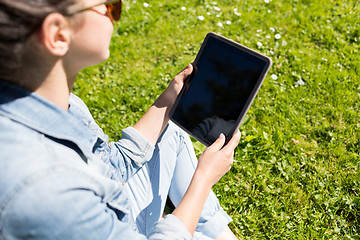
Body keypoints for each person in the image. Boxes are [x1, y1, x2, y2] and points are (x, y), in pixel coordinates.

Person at [0, 0, 241, 239]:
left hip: (113, 205)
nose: (115, 16)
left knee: (172, 132)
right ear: (58, 34)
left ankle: (221, 233)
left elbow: (110, 167)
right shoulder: (52, 190)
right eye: (109, 7)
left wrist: (169, 98)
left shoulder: (62, 103)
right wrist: (203, 179)